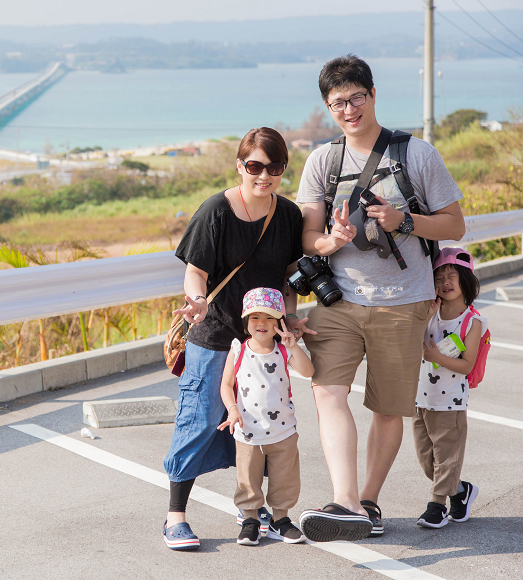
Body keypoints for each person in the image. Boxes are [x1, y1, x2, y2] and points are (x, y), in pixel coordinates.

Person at [296, 55, 466, 542]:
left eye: (355, 98)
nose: (348, 110)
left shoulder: (417, 154)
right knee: (327, 390)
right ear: (328, 108)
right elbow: (309, 236)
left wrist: (403, 222)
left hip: (403, 301)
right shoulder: (323, 161)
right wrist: (332, 239)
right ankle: (344, 500)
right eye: (336, 103)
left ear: (372, 94)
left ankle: (367, 502)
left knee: (389, 409)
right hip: (340, 299)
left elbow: (454, 224)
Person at [162, 127, 311, 551]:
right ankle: (176, 517)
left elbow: (287, 278)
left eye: (274, 167)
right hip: (214, 337)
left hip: (263, 340)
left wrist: (291, 319)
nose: (264, 176)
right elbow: (196, 271)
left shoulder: (287, 215)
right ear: (240, 166)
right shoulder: (216, 211)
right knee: (201, 419)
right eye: (255, 166)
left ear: (283, 169)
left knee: (263, 421)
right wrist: (196, 301)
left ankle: (258, 509)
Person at [217, 288, 314, 546]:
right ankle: (250, 520)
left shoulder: (283, 350)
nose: (262, 323)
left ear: (280, 322)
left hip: (283, 430)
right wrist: (232, 409)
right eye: (255, 317)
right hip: (248, 430)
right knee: (248, 478)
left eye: (270, 317)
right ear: (246, 321)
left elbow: (308, 371)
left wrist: (295, 346)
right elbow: (226, 386)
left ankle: (279, 520)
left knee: (286, 477)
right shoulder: (238, 350)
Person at [414, 247, 484, 528]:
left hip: (451, 400)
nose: (445, 281)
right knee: (426, 457)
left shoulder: (472, 321)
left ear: (466, 280)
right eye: (439, 276)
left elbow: (467, 365)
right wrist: (424, 317)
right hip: (421, 397)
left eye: (451, 275)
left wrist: (437, 358)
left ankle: (437, 506)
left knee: (446, 456)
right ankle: (459, 490)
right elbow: (415, 344)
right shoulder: (430, 312)